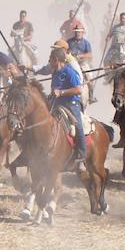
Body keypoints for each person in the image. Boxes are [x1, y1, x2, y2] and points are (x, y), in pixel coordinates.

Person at [47, 40, 88, 172]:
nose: (49, 62)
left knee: (78, 126)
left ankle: (81, 157)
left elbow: (78, 89)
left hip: (71, 104)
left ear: (56, 60)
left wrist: (62, 92)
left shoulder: (70, 72)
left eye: (50, 59)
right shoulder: (55, 72)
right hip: (57, 103)